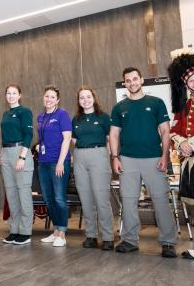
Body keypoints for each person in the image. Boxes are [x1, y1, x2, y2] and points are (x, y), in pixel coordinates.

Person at [109, 67, 177, 258]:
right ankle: (130, 240)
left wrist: (165, 156)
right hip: (128, 160)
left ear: (141, 80)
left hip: (154, 159)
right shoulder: (119, 107)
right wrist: (115, 157)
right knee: (129, 202)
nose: (132, 83)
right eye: (128, 80)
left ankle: (168, 242)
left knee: (161, 201)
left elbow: (165, 131)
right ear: (125, 84)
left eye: (135, 79)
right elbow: (114, 134)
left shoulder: (156, 103)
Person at [168, 51, 194, 260]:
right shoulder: (184, 106)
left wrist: (191, 144)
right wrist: (181, 142)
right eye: (191, 81)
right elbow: (175, 130)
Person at [72, 87, 114, 250]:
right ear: (79, 101)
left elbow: (110, 139)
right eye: (82, 98)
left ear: (94, 98)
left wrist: (110, 157)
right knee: (86, 198)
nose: (85, 100)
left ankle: (108, 237)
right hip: (80, 157)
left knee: (101, 198)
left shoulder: (103, 117)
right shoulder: (76, 119)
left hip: (99, 155)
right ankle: (91, 236)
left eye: (88, 97)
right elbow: (74, 140)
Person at [37, 85, 72, 247]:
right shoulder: (40, 116)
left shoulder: (62, 115)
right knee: (48, 198)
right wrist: (38, 146)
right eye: (46, 96)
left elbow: (67, 139)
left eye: (52, 97)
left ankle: (62, 233)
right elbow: (43, 137)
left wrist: (60, 162)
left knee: (59, 198)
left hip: (59, 162)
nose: (48, 99)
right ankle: (56, 230)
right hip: (43, 162)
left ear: (57, 100)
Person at [0, 84, 34, 245]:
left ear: (20, 95)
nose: (11, 96)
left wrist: (22, 157)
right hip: (6, 153)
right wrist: (1, 153)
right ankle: (14, 230)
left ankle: (25, 232)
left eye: (14, 93)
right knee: (11, 194)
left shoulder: (24, 112)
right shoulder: (6, 113)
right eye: (8, 93)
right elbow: (5, 136)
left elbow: (28, 134)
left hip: (21, 152)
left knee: (23, 194)